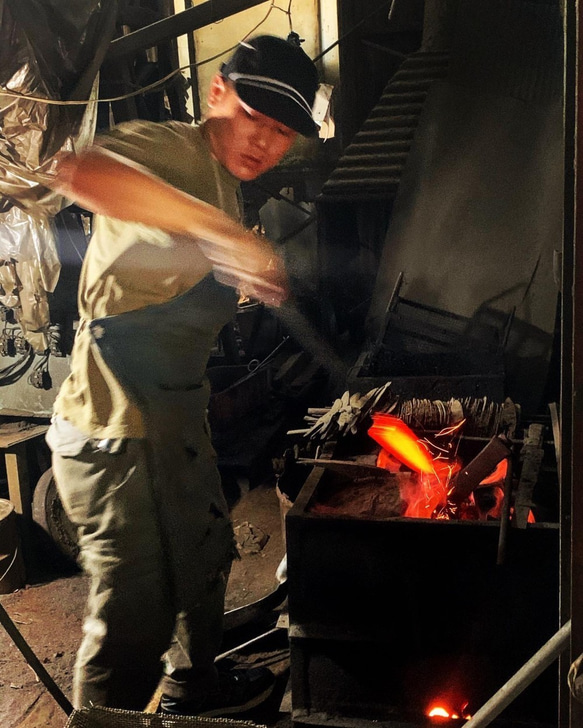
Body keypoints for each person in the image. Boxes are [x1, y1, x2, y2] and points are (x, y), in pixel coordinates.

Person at [45, 34, 320, 716]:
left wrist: (242, 266)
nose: (263, 141)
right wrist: (223, 236)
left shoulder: (227, 184)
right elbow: (78, 170)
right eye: (252, 116)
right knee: (134, 617)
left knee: (204, 557)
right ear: (216, 93)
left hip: (173, 418)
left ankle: (194, 689)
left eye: (282, 131)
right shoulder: (177, 148)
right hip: (115, 430)